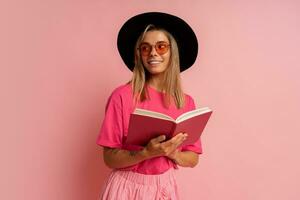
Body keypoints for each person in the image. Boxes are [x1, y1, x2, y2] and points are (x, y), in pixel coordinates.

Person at [97, 12, 202, 200]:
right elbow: (109, 158)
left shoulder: (186, 102)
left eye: (161, 47)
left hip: (165, 187)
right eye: (145, 48)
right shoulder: (122, 96)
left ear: (172, 52)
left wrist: (173, 153)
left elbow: (193, 158)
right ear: (139, 55)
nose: (153, 53)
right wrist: (146, 153)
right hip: (127, 188)